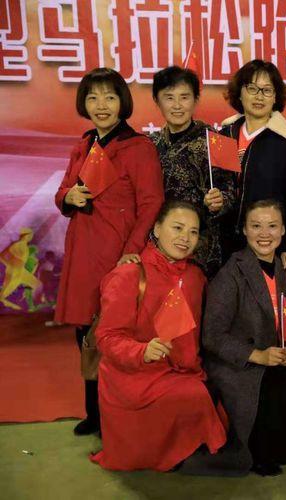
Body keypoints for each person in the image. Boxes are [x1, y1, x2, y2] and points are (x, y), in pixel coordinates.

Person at [54, 67, 164, 436]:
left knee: (116, 335)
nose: (101, 105)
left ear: (122, 103)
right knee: (85, 332)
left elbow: (151, 203)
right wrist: (68, 197)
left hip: (118, 254)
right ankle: (96, 415)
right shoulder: (84, 144)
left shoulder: (139, 147)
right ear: (84, 103)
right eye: (93, 97)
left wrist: (132, 251)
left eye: (110, 97)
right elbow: (63, 191)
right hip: (83, 251)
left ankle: (119, 415)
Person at [91, 201, 226, 471]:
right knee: (195, 396)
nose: (185, 238)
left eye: (193, 232)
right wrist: (141, 351)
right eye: (177, 228)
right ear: (156, 228)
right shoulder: (129, 274)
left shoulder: (196, 276)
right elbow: (106, 338)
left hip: (182, 369)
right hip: (135, 374)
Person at [195, 199, 286, 477]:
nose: (264, 234)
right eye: (256, 226)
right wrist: (258, 356)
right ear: (244, 230)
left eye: (272, 226)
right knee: (270, 385)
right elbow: (212, 336)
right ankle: (258, 453)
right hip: (238, 362)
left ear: (283, 230)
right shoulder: (230, 273)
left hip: (277, 357)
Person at [219, 59, 286, 278]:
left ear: (276, 97)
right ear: (240, 93)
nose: (259, 96)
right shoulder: (224, 135)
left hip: (268, 245)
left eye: (267, 90)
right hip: (224, 245)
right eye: (252, 88)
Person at [149, 66, 236, 277]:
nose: (177, 105)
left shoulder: (219, 139)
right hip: (159, 247)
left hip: (203, 250)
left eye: (184, 97)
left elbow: (234, 191)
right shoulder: (149, 144)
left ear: (196, 100)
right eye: (169, 98)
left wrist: (220, 201)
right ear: (157, 101)